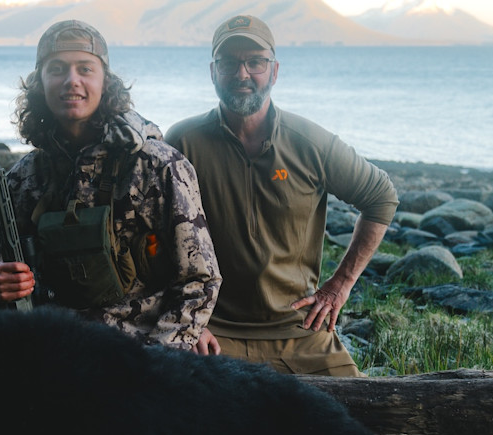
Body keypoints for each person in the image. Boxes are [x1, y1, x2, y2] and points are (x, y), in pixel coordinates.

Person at [0, 20, 220, 352]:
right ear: (40, 83)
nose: (71, 81)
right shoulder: (24, 177)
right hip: (43, 337)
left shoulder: (156, 165)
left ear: (105, 81)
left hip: (132, 345)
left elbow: (199, 281)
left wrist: (157, 360)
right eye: (57, 69)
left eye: (85, 69)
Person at [165, 14, 399, 376]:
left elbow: (381, 197)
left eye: (255, 62)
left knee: (362, 420)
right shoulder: (183, 141)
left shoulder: (309, 142)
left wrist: (339, 286)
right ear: (213, 72)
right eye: (229, 63)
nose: (242, 74)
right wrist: (189, 319)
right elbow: (154, 236)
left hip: (300, 330)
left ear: (274, 71)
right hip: (213, 331)